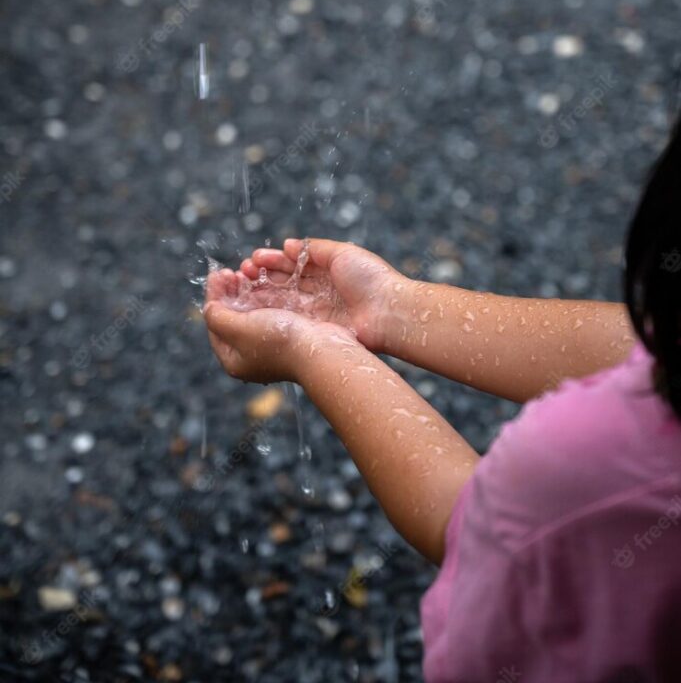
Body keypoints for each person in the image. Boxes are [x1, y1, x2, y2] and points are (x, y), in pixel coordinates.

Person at [203, 115, 681, 682]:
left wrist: (312, 349)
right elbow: (646, 347)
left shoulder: (594, 466)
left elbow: (467, 520)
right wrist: (394, 307)